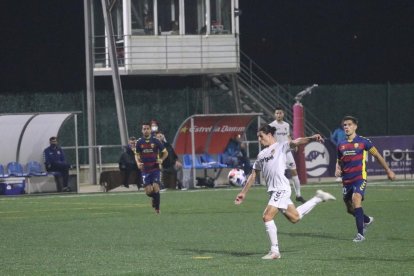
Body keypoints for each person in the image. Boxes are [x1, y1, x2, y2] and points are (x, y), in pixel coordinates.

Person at [234, 125, 336, 260]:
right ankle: (318, 198)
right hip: (273, 192)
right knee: (295, 217)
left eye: (261, 136)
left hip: (281, 189)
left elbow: (296, 141)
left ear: (269, 134)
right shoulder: (261, 155)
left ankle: (275, 251)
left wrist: (311, 138)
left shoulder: (281, 146)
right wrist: (243, 192)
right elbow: (253, 175)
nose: (259, 139)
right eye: (258, 136)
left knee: (267, 216)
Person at [335, 115, 396, 242]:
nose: (347, 127)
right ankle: (367, 220)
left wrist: (388, 170)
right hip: (346, 180)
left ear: (355, 126)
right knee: (349, 209)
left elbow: (378, 156)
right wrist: (337, 168)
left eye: (349, 124)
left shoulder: (364, 142)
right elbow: (339, 160)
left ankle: (360, 234)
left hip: (359, 178)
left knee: (356, 199)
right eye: (345, 125)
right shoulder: (341, 144)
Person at [269, 106, 305, 203]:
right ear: (274, 114)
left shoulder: (286, 125)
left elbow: (287, 136)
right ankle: (275, 195)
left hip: (287, 152)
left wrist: (293, 143)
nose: (278, 115)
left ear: (283, 114)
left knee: (294, 172)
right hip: (278, 153)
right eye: (277, 113)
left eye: (280, 113)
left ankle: (298, 195)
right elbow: (269, 139)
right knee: (278, 174)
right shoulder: (271, 126)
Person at [135, 122, 168, 214]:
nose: (146, 130)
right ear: (142, 130)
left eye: (147, 128)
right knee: (148, 191)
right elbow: (136, 154)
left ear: (150, 130)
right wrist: (138, 162)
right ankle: (154, 198)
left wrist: (161, 160)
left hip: (155, 168)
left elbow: (166, 152)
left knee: (156, 187)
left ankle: (157, 209)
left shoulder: (156, 141)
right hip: (145, 169)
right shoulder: (139, 142)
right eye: (144, 129)